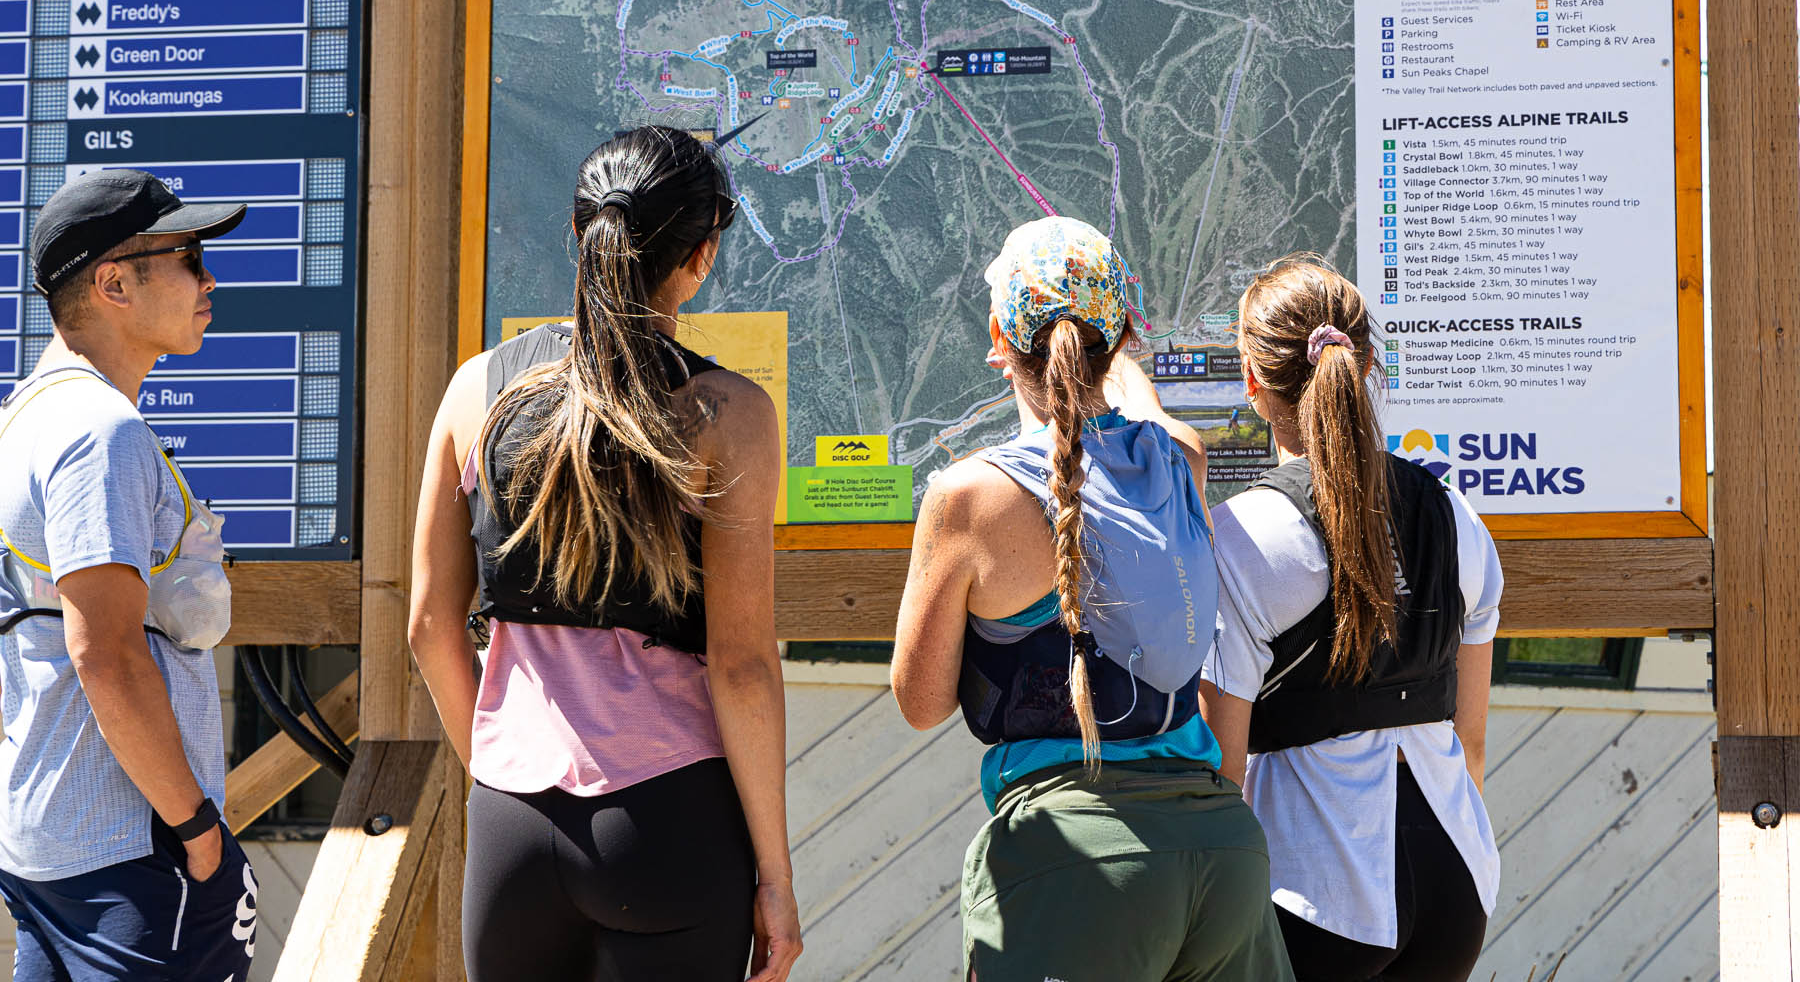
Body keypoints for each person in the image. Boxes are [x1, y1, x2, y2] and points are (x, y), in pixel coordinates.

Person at [408, 126, 802, 982]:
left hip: (511, 824)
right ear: (701, 256)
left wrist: (498, 776)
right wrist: (775, 875)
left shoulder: (478, 389)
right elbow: (740, 665)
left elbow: (429, 625)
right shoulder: (728, 413)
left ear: (579, 232)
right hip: (669, 819)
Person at [892, 216, 1294, 982]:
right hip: (1222, 854)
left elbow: (921, 702)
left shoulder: (968, 498)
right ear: (1123, 341)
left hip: (1075, 862)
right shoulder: (1180, 461)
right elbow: (1141, 414)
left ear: (998, 339)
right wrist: (1110, 354)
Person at [1199, 254, 1504, 982]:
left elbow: (1221, 775)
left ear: (1252, 382)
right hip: (1454, 884)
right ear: (1367, 364)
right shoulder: (1455, 516)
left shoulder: (1241, 539)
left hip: (1313, 887)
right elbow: (1470, 744)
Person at [0, 169, 256, 981]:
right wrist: (197, 830)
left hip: (48, 841)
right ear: (114, 284)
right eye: (188, 257)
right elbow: (106, 652)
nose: (208, 280)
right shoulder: (98, 430)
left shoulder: (24, 417)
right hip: (130, 846)